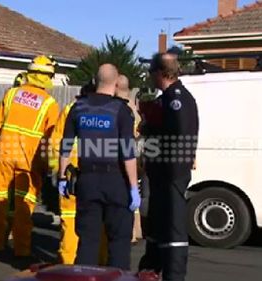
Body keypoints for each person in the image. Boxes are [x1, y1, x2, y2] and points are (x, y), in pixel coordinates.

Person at [58, 64, 140, 270]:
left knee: (87, 241)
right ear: (115, 83)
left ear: (95, 81)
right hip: (116, 182)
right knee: (119, 243)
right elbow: (128, 153)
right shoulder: (121, 110)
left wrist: (61, 177)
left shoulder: (79, 108)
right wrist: (133, 187)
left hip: (87, 181)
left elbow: (65, 146)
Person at [0, 55, 59, 261]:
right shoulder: (49, 104)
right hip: (30, 159)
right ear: (48, 77)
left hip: (5, 154)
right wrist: (49, 164)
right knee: (24, 204)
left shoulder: (11, 94)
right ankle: (22, 249)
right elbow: (52, 138)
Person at [138, 53, 199, 281]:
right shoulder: (165, 99)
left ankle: (173, 275)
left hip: (171, 173)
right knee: (157, 226)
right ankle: (151, 267)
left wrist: (150, 128)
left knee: (172, 228)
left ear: (159, 72)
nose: (149, 77)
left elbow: (179, 134)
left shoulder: (177, 99)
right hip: (161, 174)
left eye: (151, 72)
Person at [114, 75, 143, 243]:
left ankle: (129, 232)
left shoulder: (121, 109)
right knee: (134, 192)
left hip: (124, 156)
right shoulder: (134, 107)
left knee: (126, 193)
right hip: (137, 155)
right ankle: (136, 230)